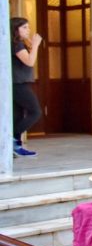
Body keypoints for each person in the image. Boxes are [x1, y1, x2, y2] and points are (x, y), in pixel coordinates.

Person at [10, 18, 43, 157]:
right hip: (18, 84)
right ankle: (10, 138)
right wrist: (35, 45)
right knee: (35, 112)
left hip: (17, 84)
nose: (28, 30)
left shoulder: (18, 44)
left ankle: (15, 146)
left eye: (28, 27)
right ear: (15, 29)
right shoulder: (17, 45)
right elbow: (29, 62)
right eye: (24, 27)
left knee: (18, 116)